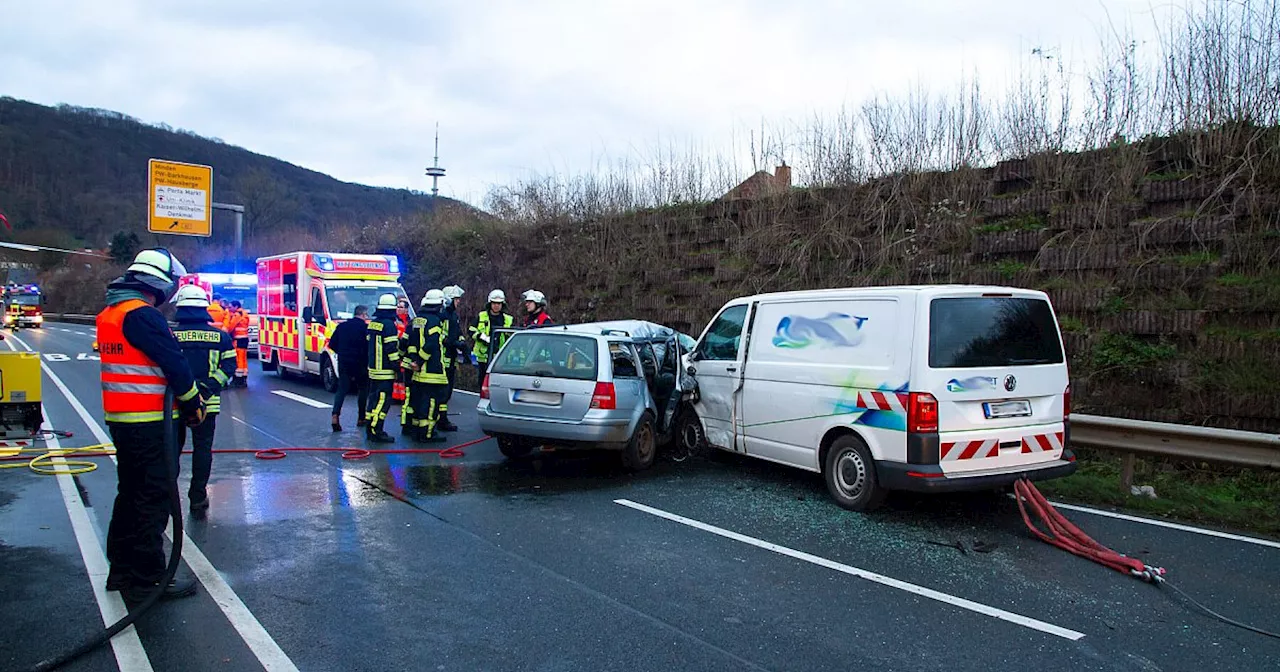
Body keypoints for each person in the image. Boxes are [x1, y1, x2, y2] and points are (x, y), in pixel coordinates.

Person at [98, 248, 206, 606]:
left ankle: (122, 569)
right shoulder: (143, 316)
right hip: (151, 424)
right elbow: (174, 363)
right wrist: (193, 403)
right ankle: (148, 579)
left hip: (124, 420)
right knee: (153, 497)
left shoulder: (111, 313)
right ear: (158, 285)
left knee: (130, 493)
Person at [170, 285, 235, 515]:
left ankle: (169, 498)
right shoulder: (220, 336)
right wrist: (207, 388)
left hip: (174, 404)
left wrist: (185, 391)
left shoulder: (170, 336)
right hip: (207, 403)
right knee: (202, 449)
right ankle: (197, 496)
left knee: (172, 450)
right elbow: (229, 366)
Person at [402, 289, 449, 442]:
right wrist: (421, 361)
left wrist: (414, 361)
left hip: (418, 371)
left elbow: (411, 343)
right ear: (439, 304)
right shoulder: (434, 321)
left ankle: (417, 430)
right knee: (431, 403)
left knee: (419, 401)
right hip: (432, 370)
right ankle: (428, 434)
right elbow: (432, 344)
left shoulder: (417, 319)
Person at [365, 293, 402, 443]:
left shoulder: (373, 323)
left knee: (373, 400)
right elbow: (391, 349)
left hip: (373, 369)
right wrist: (397, 368)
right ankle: (376, 430)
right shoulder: (389, 325)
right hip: (385, 370)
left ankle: (370, 427)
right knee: (383, 401)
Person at [328, 305, 370, 432]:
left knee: (342, 389)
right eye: (366, 315)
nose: (367, 318)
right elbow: (369, 346)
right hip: (360, 362)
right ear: (363, 315)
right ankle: (361, 418)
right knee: (363, 388)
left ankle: (335, 415)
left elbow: (332, 344)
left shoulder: (342, 327)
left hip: (344, 361)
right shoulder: (365, 328)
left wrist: (342, 353)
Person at [438, 285, 466, 432]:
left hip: (451, 357)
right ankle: (441, 419)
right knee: (443, 391)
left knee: (447, 391)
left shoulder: (453, 315)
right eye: (456, 299)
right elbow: (440, 335)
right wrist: (453, 342)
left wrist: (461, 341)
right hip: (443, 358)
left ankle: (441, 417)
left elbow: (457, 331)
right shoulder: (442, 315)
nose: (458, 302)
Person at [470, 289, 514, 380]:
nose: (496, 306)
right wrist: (482, 337)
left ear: (502, 304)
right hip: (483, 356)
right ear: (490, 304)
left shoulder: (508, 319)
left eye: (499, 303)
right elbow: (471, 330)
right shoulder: (481, 316)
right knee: (483, 381)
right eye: (494, 303)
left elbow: (512, 336)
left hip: (500, 356)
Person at [224, 300, 250, 387]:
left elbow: (231, 326)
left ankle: (238, 379)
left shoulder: (237, 315)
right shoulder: (244, 313)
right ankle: (243, 377)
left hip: (238, 339)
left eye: (231, 307)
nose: (230, 309)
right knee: (243, 359)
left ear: (236, 306)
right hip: (244, 338)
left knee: (238, 359)